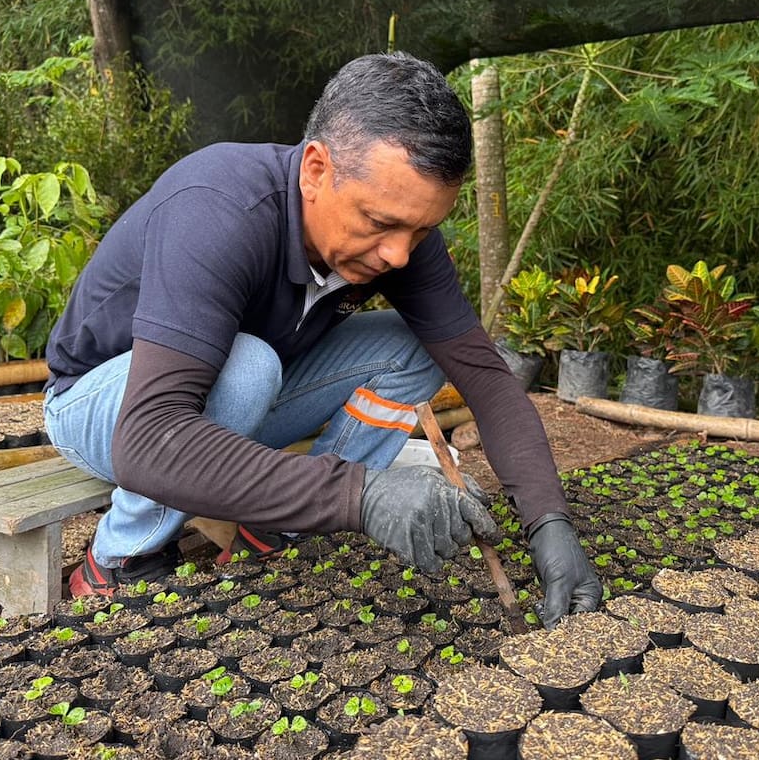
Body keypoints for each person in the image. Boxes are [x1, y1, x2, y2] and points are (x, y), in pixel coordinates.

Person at [43, 51, 600, 628]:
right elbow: (148, 438)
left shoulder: (400, 236)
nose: (399, 254)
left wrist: (549, 522)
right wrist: (361, 495)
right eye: (379, 223)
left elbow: (485, 379)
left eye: (421, 230)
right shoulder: (217, 209)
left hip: (244, 392)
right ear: (315, 170)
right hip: (110, 410)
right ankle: (120, 556)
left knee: (410, 347)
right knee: (247, 365)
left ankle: (278, 525)